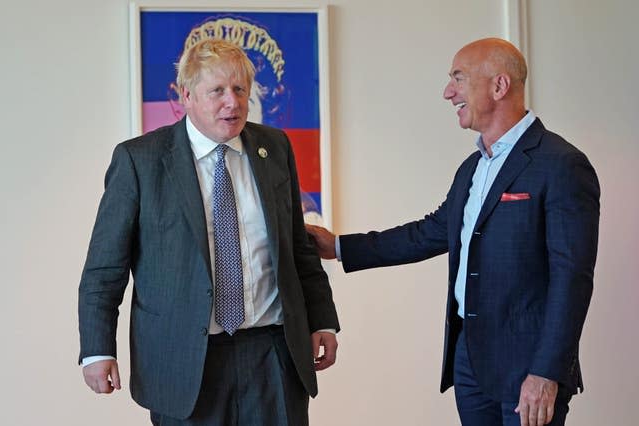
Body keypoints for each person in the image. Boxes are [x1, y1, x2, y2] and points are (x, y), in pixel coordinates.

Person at [306, 38, 599, 426]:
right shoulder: (472, 169)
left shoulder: (562, 165)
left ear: (499, 86)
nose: (448, 92)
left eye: (458, 79)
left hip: (529, 368)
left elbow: (572, 279)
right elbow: (429, 233)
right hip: (469, 362)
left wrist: (547, 372)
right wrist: (340, 246)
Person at [78, 39, 340, 426]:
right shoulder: (140, 160)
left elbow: (296, 246)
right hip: (183, 359)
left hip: (272, 351)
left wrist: (322, 318)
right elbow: (104, 267)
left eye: (239, 90)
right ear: (187, 95)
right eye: (217, 91)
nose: (231, 103)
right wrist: (98, 349)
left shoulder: (275, 147)